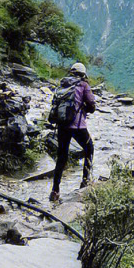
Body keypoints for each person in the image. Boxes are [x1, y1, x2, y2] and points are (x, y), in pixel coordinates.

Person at [50, 60, 96, 204]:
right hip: (77, 126)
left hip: (62, 125)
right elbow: (92, 106)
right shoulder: (83, 85)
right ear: (83, 74)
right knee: (89, 148)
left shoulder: (63, 84)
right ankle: (84, 182)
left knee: (61, 157)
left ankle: (55, 190)